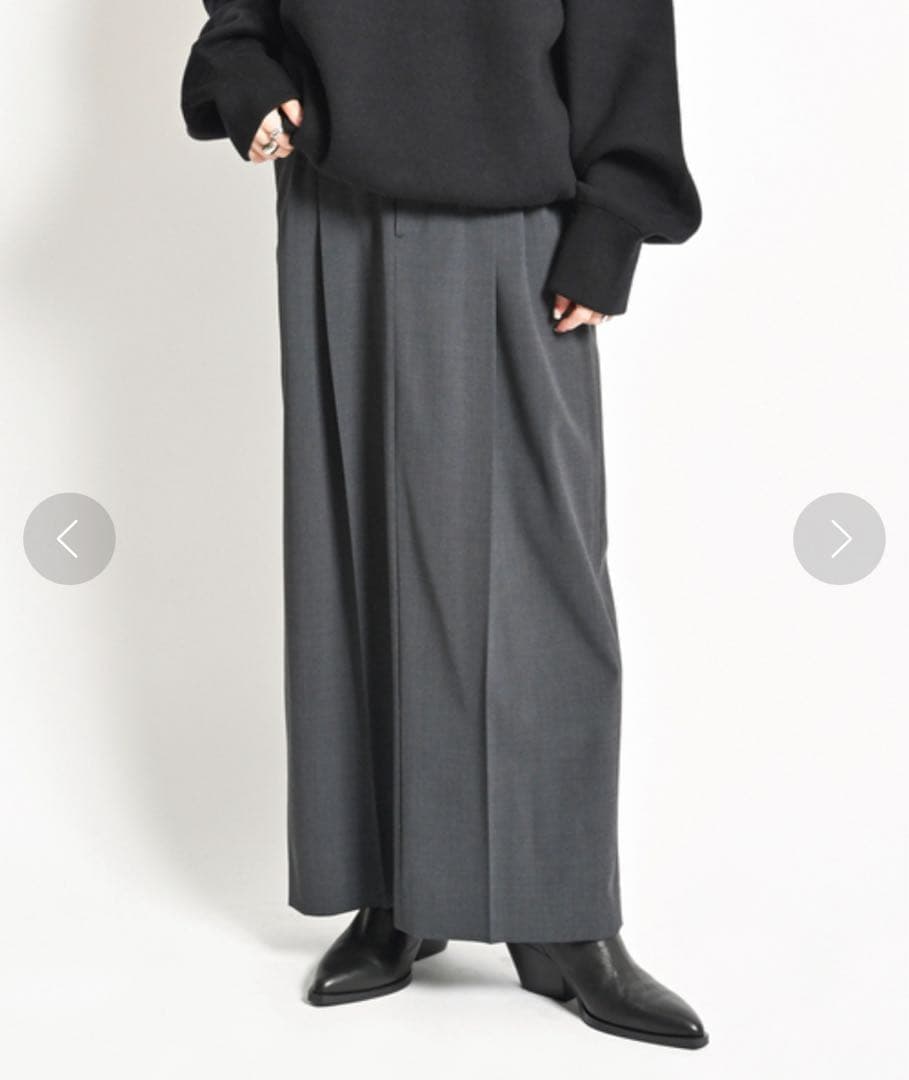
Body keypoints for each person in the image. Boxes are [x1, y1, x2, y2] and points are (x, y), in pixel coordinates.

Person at [181, 0, 706, 1049]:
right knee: (352, 552)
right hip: (335, 192)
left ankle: (560, 917)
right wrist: (241, 58)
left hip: (515, 205)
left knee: (540, 578)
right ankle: (395, 892)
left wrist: (615, 212)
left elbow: (625, 23)